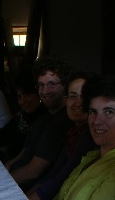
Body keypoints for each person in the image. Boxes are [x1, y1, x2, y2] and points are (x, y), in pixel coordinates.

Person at [25, 71, 97, 200]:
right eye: (72, 96)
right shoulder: (73, 131)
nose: (78, 103)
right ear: (66, 100)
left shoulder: (89, 136)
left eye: (84, 97)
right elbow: (51, 177)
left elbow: (58, 181)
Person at [6, 56, 73, 188]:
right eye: (41, 85)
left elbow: (33, 172)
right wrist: (5, 168)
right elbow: (24, 153)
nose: (45, 91)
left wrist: (1, 182)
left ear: (65, 86)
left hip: (26, 187)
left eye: (51, 84)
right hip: (16, 177)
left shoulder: (62, 121)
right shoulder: (45, 116)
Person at [0, 74, 45, 162]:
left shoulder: (44, 118)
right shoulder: (22, 115)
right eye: (19, 97)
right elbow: (4, 133)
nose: (22, 101)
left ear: (38, 94)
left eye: (26, 95)